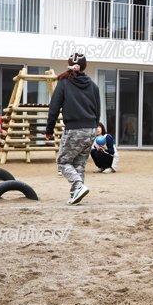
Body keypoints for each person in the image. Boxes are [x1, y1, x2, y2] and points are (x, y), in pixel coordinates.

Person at [45, 52, 101, 205]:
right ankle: (75, 194)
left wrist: (49, 130)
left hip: (74, 128)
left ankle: (78, 186)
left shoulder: (64, 83)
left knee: (63, 162)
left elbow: (54, 108)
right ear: (84, 66)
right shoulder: (93, 85)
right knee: (79, 164)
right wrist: (95, 126)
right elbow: (98, 109)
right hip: (90, 129)